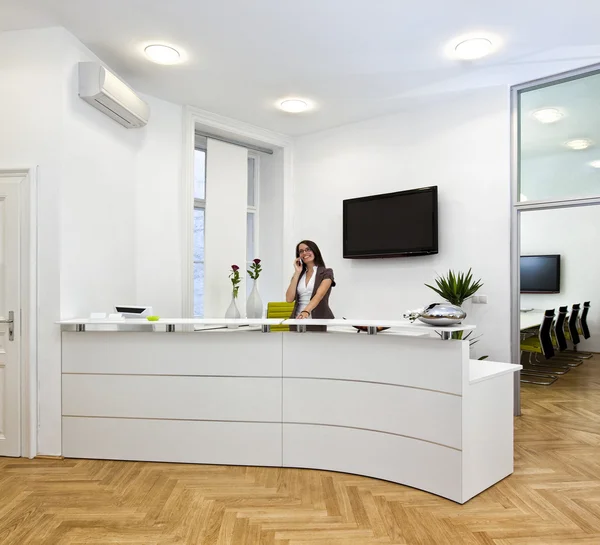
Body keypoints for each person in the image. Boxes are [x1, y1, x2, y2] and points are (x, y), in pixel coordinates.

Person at [285, 240, 335, 330]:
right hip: (297, 321)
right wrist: (297, 272)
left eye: (308, 249)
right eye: (301, 251)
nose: (305, 253)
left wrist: (305, 312)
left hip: (316, 321)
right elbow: (289, 299)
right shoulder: (298, 275)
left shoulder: (326, 273)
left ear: (315, 251)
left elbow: (319, 295)